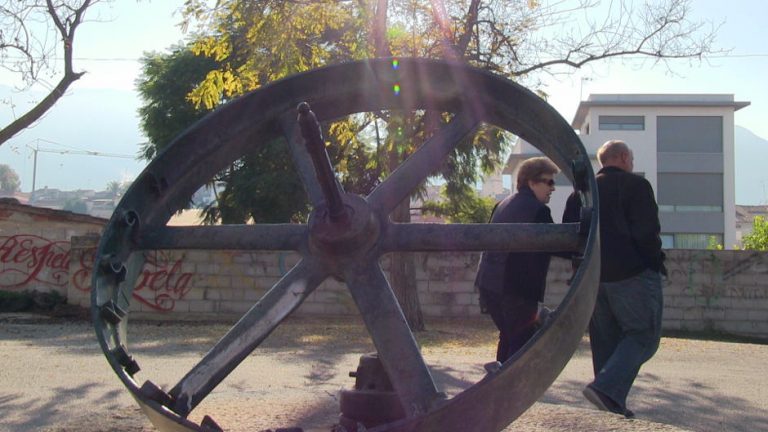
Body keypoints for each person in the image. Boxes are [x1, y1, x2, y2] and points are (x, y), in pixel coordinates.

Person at [581, 140, 666, 419]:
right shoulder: (636, 186)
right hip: (632, 274)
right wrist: (653, 264)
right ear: (623, 157)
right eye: (631, 157)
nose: (632, 162)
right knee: (643, 335)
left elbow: (576, 237)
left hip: (593, 277)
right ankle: (606, 389)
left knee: (605, 340)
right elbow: (647, 232)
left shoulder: (583, 193)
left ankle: (610, 405)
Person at [475, 157, 559, 369]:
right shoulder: (538, 210)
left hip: (489, 286)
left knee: (510, 337)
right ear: (531, 182)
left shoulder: (502, 204)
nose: (553, 188)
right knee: (520, 348)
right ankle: (503, 386)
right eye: (549, 182)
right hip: (516, 289)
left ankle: (496, 382)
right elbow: (559, 244)